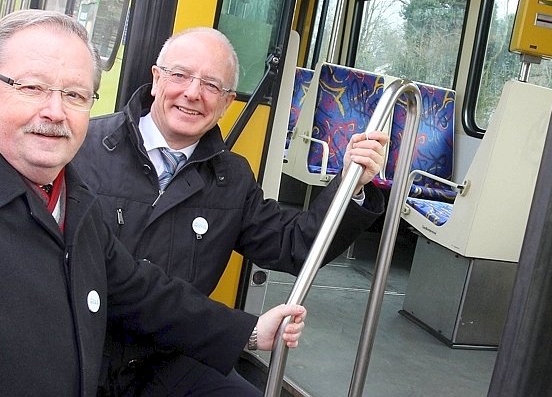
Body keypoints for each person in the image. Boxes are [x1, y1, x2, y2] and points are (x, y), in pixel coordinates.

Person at [0, 10, 307, 397]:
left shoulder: (72, 196)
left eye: (75, 95)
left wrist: (247, 333)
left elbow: (140, 290)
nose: (54, 111)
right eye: (31, 87)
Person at [71, 27, 390, 396]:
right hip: (81, 346)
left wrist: (352, 185)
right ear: (157, 79)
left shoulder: (231, 177)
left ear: (225, 103)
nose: (193, 93)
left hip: (169, 357)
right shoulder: (84, 148)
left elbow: (294, 244)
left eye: (211, 85)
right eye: (180, 75)